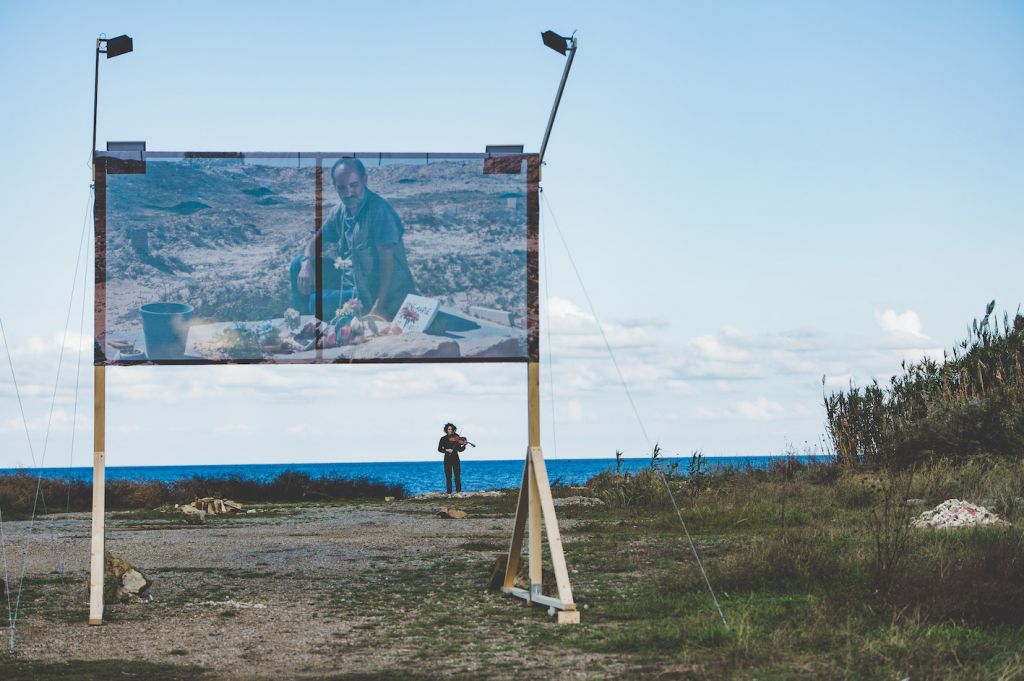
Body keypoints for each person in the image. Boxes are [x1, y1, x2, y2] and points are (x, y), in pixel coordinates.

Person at [291, 158, 417, 320]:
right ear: (335, 186)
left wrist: (378, 306)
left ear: (364, 180)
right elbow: (316, 241)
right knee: (298, 264)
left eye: (354, 185)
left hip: (370, 293)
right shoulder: (340, 211)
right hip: (348, 278)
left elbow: (388, 264)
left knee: (315, 302)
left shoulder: (379, 211)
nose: (348, 192)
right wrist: (307, 264)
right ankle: (301, 321)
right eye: (342, 187)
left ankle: (310, 318)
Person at [438, 422, 465, 495]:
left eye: (451, 429)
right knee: (448, 476)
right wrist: (446, 450)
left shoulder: (457, 438)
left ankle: (458, 492)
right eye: (449, 429)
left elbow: (460, 450)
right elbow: (439, 449)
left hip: (456, 458)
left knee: (457, 475)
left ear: (453, 430)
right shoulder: (443, 439)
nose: (450, 430)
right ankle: (449, 493)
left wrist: (464, 445)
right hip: (447, 459)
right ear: (446, 430)